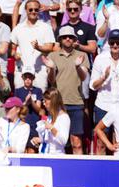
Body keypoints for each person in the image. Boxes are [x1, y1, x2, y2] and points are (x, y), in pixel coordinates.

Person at [90, 29, 119, 155]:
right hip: (103, 105)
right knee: (101, 143)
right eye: (112, 42)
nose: (115, 45)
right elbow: (93, 86)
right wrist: (103, 78)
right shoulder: (100, 58)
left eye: (118, 42)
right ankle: (100, 171)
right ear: (108, 43)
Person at [44, 25, 89, 154]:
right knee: (56, 140)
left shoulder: (82, 55)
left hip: (76, 102)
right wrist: (52, 68)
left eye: (70, 37)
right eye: (64, 37)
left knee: (76, 143)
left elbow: (83, 77)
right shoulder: (53, 55)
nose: (68, 39)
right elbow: (51, 80)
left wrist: (78, 66)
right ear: (60, 39)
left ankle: (79, 172)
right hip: (57, 105)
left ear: (74, 39)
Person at [10, 0, 56, 92]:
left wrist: (38, 47)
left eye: (36, 9)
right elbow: (12, 49)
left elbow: (50, 47)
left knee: (39, 101)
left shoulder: (46, 27)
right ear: (26, 11)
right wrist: (15, 55)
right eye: (30, 10)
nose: (33, 12)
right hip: (21, 71)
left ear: (39, 10)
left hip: (39, 71)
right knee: (21, 103)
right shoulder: (18, 28)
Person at [31, 87, 71, 154]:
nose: (43, 104)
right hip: (44, 154)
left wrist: (52, 128)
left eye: (45, 101)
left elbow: (63, 141)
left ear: (52, 101)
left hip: (56, 157)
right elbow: (51, 140)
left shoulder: (64, 117)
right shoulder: (50, 117)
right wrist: (40, 140)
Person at [14, 65, 43, 153]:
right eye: (26, 77)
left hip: (34, 125)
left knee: (32, 151)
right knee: (21, 150)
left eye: (30, 77)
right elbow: (16, 110)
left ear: (33, 78)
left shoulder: (38, 91)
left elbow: (39, 110)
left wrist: (32, 102)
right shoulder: (18, 91)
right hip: (21, 125)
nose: (28, 79)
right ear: (22, 77)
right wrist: (26, 103)